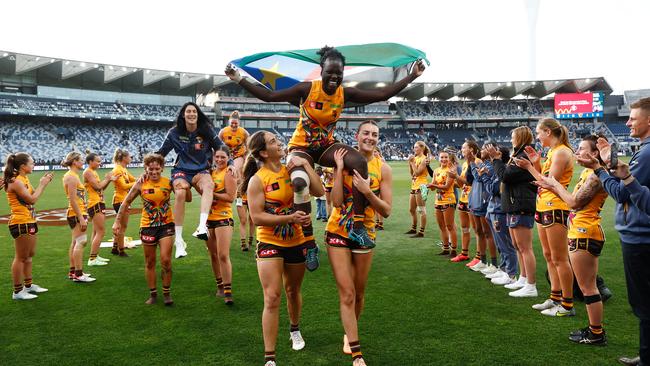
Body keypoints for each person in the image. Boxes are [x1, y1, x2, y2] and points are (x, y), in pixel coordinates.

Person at [226, 46, 424, 251]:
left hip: (325, 146)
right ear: (321, 70)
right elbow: (269, 96)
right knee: (300, 182)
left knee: (358, 162)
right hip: (301, 147)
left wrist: (412, 76)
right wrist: (238, 78)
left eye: (338, 73)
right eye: (330, 72)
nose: (334, 77)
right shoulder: (307, 89)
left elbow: (382, 93)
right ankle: (309, 241)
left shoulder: (344, 93)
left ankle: (357, 226)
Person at [577, 97, 650, 365]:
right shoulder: (644, 149)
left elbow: (621, 193)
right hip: (638, 234)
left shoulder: (647, 152)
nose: (627, 122)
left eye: (632, 117)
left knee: (644, 305)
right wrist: (610, 165)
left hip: (641, 237)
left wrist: (598, 168)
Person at [242, 131, 324, 366]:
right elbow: (256, 217)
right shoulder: (258, 179)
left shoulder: (293, 169)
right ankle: (269, 358)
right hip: (269, 241)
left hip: (297, 241)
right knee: (272, 297)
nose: (279, 143)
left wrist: (306, 166)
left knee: (292, 291)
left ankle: (294, 329)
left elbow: (319, 192)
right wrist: (290, 219)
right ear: (264, 152)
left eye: (277, 140)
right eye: (273, 142)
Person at [325, 121, 392, 366]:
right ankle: (356, 351)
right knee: (347, 292)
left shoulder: (382, 168)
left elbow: (386, 210)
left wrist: (367, 191)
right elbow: (336, 203)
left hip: (366, 233)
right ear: (357, 135)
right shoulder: (342, 161)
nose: (370, 137)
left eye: (375, 134)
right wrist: (338, 168)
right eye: (366, 133)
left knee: (359, 293)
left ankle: (348, 331)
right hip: (337, 230)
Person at [535, 135, 609, 345]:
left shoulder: (596, 175)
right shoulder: (589, 172)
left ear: (595, 153)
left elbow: (574, 202)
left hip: (585, 231)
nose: (577, 151)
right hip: (581, 229)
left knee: (587, 287)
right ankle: (595, 329)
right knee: (587, 286)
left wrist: (554, 185)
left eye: (582, 148)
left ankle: (596, 333)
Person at [516, 118, 575, 315]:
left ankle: (567, 304)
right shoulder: (553, 152)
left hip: (555, 207)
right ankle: (555, 296)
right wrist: (536, 163)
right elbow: (543, 179)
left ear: (548, 132)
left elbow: (550, 183)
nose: (538, 136)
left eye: (539, 132)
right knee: (549, 256)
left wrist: (529, 168)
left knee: (559, 258)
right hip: (543, 206)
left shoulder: (562, 152)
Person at [156, 102, 222, 258]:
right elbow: (161, 153)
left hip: (201, 170)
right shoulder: (174, 132)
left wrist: (231, 164)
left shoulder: (206, 130)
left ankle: (201, 226)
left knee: (209, 185)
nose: (192, 114)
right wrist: (149, 166)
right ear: (183, 115)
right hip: (182, 171)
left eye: (194, 111)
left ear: (197, 115)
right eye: (188, 111)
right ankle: (179, 241)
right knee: (179, 194)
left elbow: (220, 146)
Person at [113, 154, 175, 305]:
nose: (154, 172)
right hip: (147, 227)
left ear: (162, 168)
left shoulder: (169, 183)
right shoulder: (140, 184)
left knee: (166, 260)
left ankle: (167, 293)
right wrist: (117, 221)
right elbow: (126, 202)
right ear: (146, 169)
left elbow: (187, 198)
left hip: (166, 225)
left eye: (157, 168)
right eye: (150, 169)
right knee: (150, 262)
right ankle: (153, 294)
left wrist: (184, 186)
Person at [492, 126, 538, 297]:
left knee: (525, 247)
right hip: (514, 204)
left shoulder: (523, 156)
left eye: (513, 137)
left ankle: (531, 285)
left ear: (519, 137)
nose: (511, 139)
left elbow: (505, 176)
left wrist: (497, 160)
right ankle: (523, 278)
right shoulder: (517, 155)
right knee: (518, 246)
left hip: (521, 205)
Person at [4, 153, 54, 300]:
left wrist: (42, 182)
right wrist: (42, 184)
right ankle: (17, 291)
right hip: (20, 222)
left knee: (29, 255)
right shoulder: (16, 181)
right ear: (22, 166)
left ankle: (28, 285)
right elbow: (32, 199)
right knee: (20, 257)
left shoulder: (23, 179)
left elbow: (32, 194)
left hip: (29, 220)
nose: (34, 165)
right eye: (32, 163)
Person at [483, 145, 518, 286]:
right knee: (500, 243)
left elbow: (495, 190)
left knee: (506, 244)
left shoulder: (502, 169)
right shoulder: (498, 169)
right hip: (494, 209)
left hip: (499, 210)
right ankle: (504, 268)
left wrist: (485, 176)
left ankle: (511, 273)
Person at [206, 146, 236, 304]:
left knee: (223, 254)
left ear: (228, 158)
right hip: (208, 218)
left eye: (223, 157)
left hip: (223, 217)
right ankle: (219, 286)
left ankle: (228, 291)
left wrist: (211, 193)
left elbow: (231, 197)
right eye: (217, 157)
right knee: (213, 255)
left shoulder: (229, 172)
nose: (219, 160)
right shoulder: (210, 172)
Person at [62, 152, 95, 283]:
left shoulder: (72, 175)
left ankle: (73, 271)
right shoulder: (71, 177)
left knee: (76, 242)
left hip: (77, 212)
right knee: (81, 241)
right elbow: (72, 199)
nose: (83, 162)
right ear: (74, 162)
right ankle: (78, 274)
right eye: (81, 160)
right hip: (76, 213)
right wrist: (81, 217)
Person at [83, 153, 116, 266]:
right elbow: (97, 187)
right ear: (90, 161)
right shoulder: (88, 172)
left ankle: (94, 256)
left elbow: (101, 188)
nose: (99, 163)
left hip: (97, 202)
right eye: (97, 161)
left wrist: (109, 180)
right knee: (101, 231)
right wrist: (107, 178)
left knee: (96, 231)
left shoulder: (93, 172)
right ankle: (92, 259)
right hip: (95, 203)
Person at [427, 149, 457, 256]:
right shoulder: (436, 171)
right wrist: (427, 187)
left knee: (449, 226)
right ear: (439, 159)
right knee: (441, 226)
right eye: (442, 157)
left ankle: (453, 250)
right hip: (438, 201)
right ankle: (445, 249)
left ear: (449, 159)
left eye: (446, 157)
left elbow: (447, 187)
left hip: (449, 200)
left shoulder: (451, 171)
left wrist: (433, 186)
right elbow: (432, 187)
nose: (444, 159)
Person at [449, 142, 474, 262]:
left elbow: (469, 182)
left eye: (464, 147)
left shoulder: (476, 162)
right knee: (464, 228)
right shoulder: (464, 164)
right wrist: (455, 176)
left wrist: (456, 176)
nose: (462, 149)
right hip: (463, 199)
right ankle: (464, 253)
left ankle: (480, 257)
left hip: (473, 200)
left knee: (479, 230)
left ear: (471, 149)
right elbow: (460, 184)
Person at [111, 148, 136, 257]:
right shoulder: (118, 170)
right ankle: (121, 250)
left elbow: (132, 179)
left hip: (123, 199)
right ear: (124, 158)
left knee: (120, 226)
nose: (131, 158)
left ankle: (115, 247)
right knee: (122, 227)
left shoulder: (123, 169)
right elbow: (124, 185)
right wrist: (137, 183)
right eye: (129, 156)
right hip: (121, 200)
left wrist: (139, 179)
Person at [407, 141, 430, 238]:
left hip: (422, 186)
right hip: (414, 185)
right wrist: (410, 163)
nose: (414, 149)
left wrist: (412, 162)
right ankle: (413, 228)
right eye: (414, 147)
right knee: (411, 209)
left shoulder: (424, 159)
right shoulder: (415, 158)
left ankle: (421, 232)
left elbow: (418, 173)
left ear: (422, 148)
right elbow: (412, 173)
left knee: (421, 210)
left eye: (416, 147)